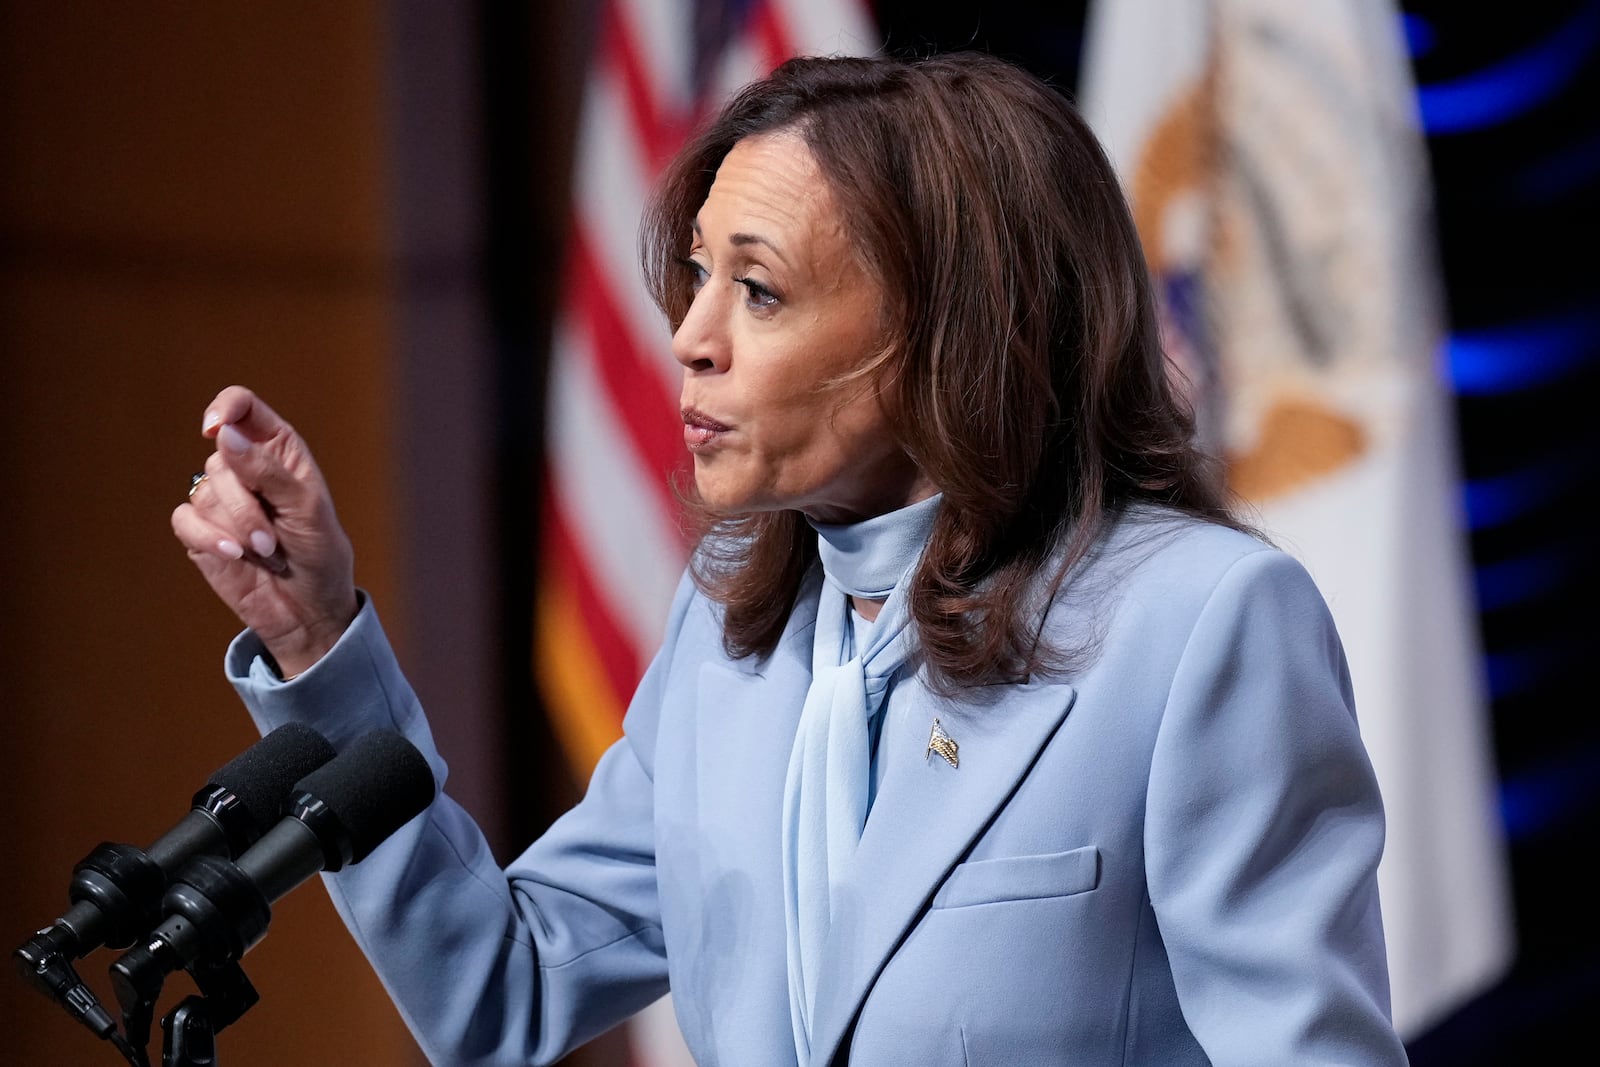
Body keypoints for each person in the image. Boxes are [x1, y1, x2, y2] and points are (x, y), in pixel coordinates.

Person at [172, 51, 1409, 1066]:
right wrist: (314, 638)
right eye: (697, 277)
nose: (690, 338)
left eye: (757, 290)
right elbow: (506, 985)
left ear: (950, 327)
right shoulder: (729, 635)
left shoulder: (1198, 622)